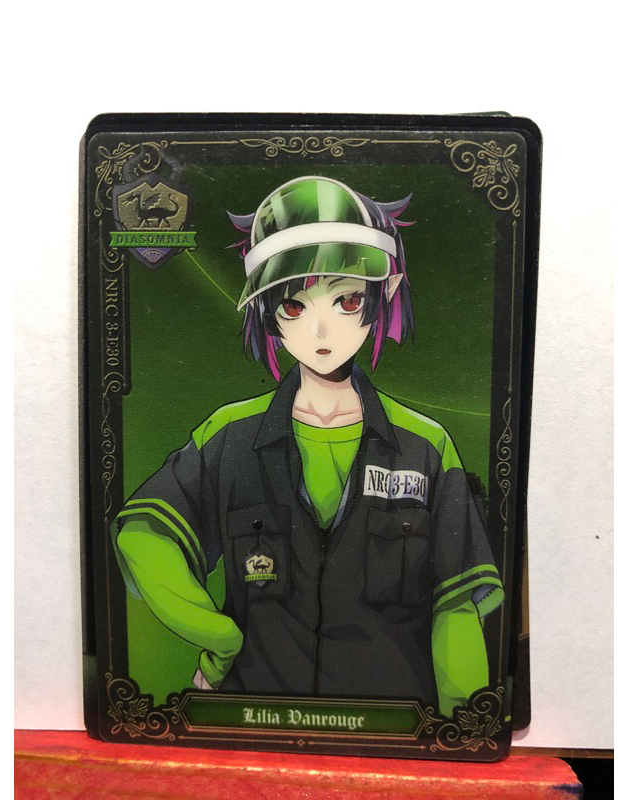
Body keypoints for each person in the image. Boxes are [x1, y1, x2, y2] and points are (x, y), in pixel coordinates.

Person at [112, 176, 503, 716]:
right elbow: (144, 534)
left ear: (386, 291)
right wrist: (219, 636)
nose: (321, 330)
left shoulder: (427, 447)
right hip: (254, 721)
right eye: (293, 306)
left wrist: (460, 728)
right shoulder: (229, 436)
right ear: (266, 313)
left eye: (346, 299)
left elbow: (455, 607)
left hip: (391, 729)